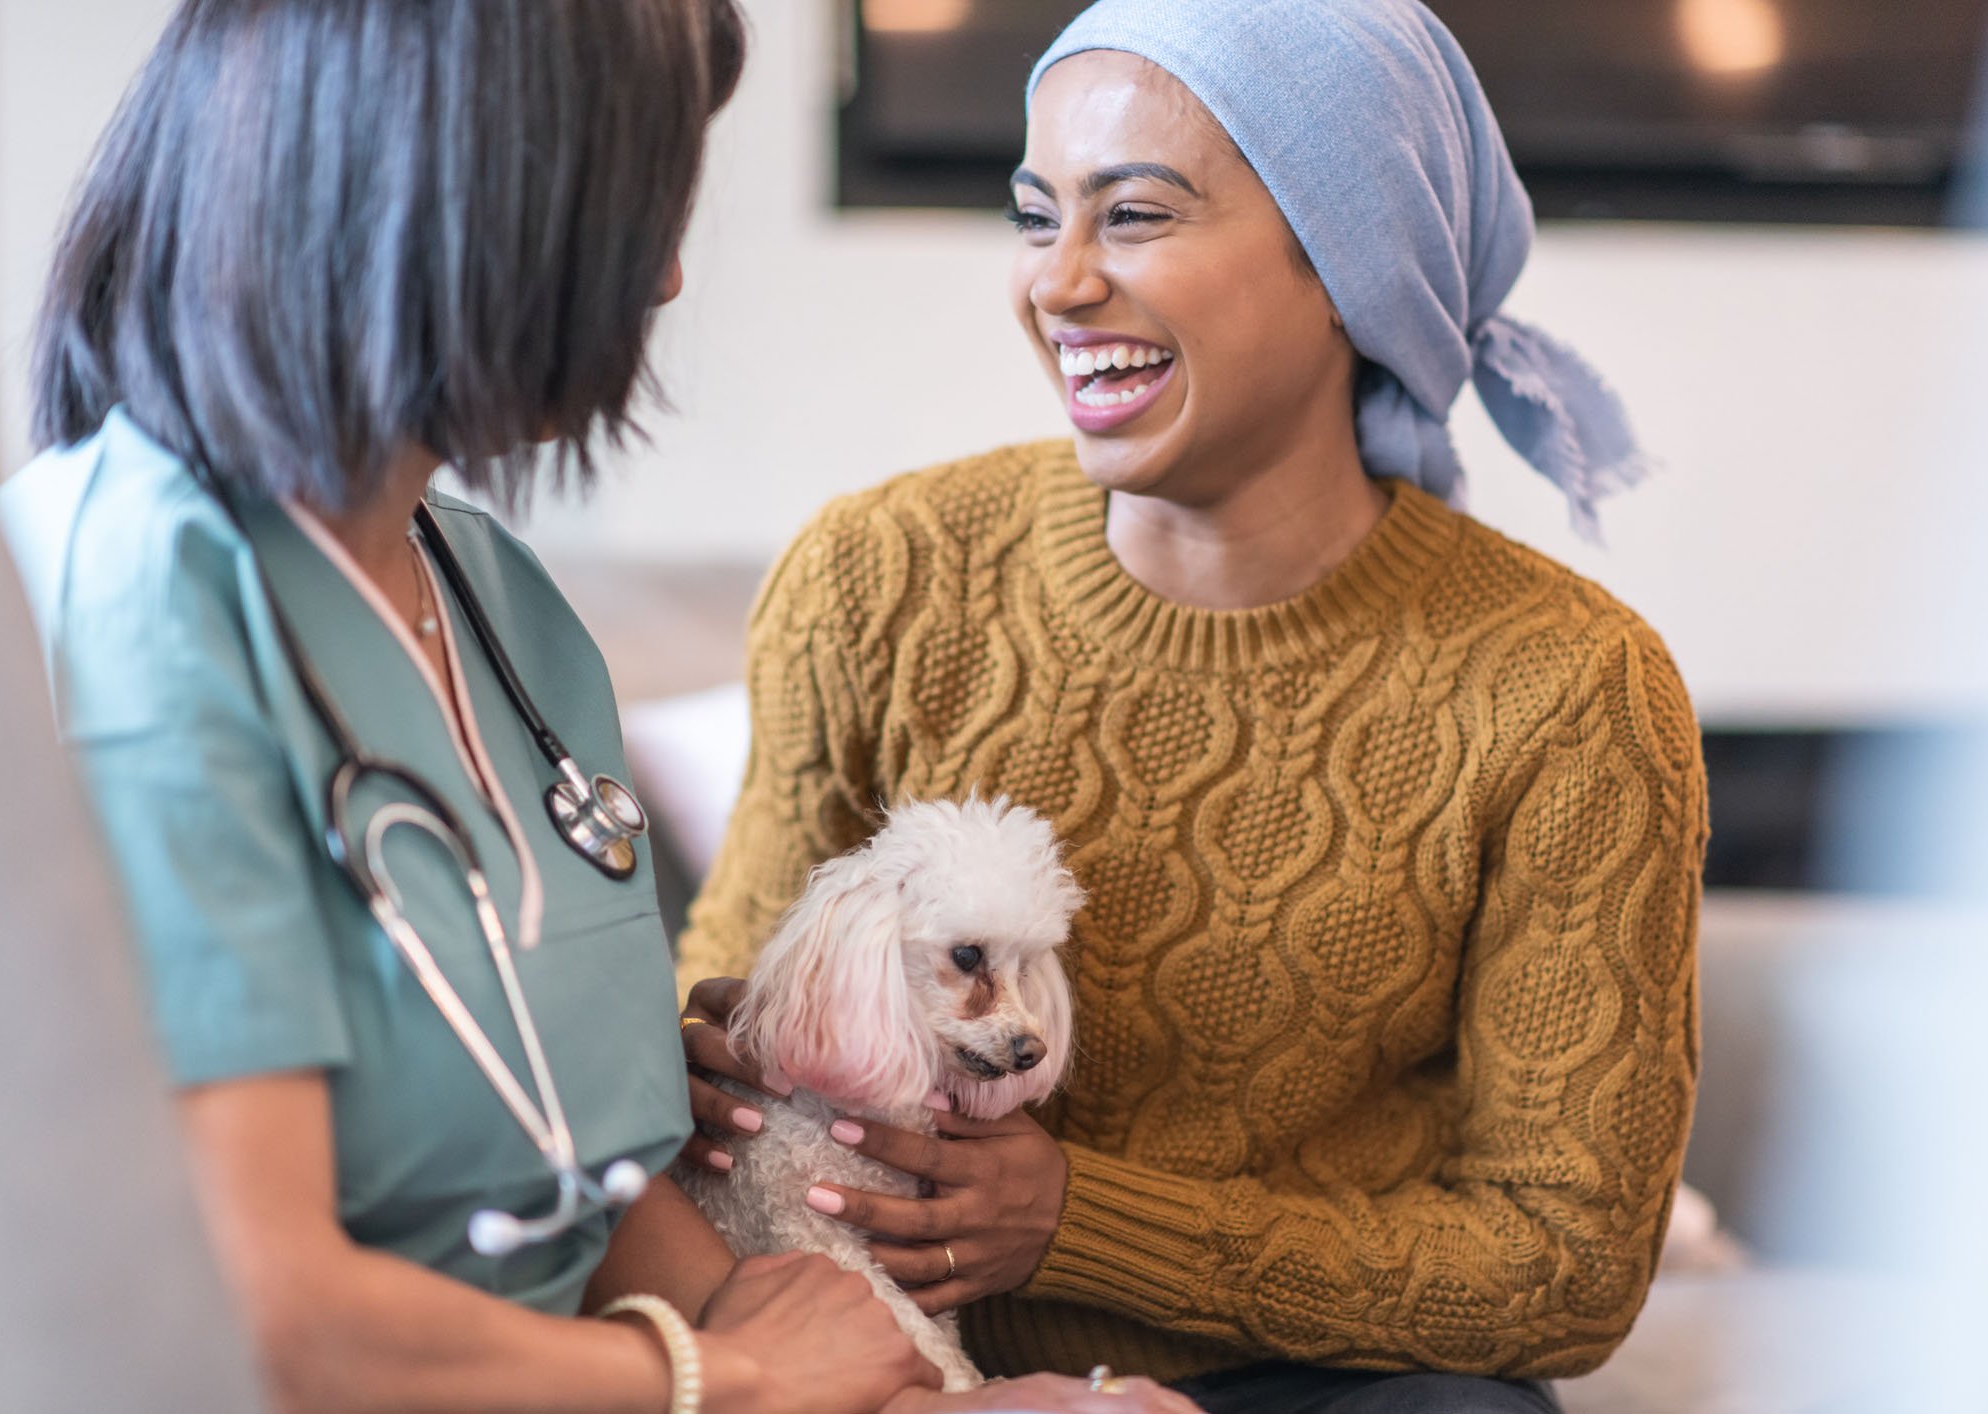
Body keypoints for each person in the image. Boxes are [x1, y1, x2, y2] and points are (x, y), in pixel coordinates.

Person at [0, 3, 1197, 1412]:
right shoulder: (131, 601)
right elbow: (263, 1315)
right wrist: (720, 1374)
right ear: (463, 197)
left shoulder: (501, 603)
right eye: (642, 212)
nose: (675, 276)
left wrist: (931, 1402)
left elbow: (577, 1178)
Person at [676, 2, 1709, 1411]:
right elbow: (734, 1013)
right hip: (907, 1373)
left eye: (1137, 215)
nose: (1060, 281)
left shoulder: (1568, 686)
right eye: (1036, 218)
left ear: (1353, 266)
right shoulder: (874, 574)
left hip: (1327, 1380)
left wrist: (1079, 1217)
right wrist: (692, 1054)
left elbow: (1563, 1259)